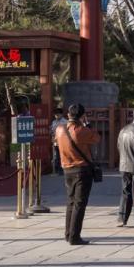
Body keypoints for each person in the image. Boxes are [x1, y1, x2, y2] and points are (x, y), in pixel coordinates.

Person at [57, 104, 101, 245]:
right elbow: (96, 138)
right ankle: (75, 236)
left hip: (66, 168)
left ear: (68, 114)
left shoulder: (59, 129)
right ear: (82, 116)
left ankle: (68, 233)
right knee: (80, 204)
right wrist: (88, 125)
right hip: (81, 169)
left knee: (70, 202)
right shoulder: (82, 130)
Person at [50, 110, 67, 175]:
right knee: (57, 156)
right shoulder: (53, 122)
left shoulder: (65, 122)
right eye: (55, 115)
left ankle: (63, 169)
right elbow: (52, 131)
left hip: (63, 141)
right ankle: (58, 169)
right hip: (56, 142)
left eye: (58, 114)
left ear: (61, 114)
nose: (56, 116)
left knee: (63, 155)